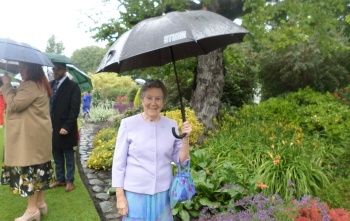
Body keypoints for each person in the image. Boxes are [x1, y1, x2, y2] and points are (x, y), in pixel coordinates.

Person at [112, 80, 192, 220]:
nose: (153, 103)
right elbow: (119, 164)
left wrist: (186, 138)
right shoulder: (128, 124)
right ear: (142, 99)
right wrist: (120, 197)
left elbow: (181, 160)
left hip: (163, 195)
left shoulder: (171, 125)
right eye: (149, 98)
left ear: (163, 101)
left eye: (158, 98)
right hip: (135, 195)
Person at [0, 62, 53, 221]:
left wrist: (7, 85)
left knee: (31, 171)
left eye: (24, 67)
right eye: (20, 67)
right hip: (38, 137)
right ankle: (41, 204)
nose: (21, 70)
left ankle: (31, 211)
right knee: (40, 170)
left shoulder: (30, 85)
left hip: (30, 138)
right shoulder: (40, 84)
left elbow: (14, 105)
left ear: (33, 68)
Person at [49, 62, 81, 192]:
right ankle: (60, 179)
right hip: (52, 126)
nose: (55, 71)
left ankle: (70, 180)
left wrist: (67, 126)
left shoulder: (73, 86)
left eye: (58, 69)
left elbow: (74, 109)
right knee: (56, 154)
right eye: (53, 69)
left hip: (66, 127)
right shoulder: (50, 85)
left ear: (64, 70)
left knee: (68, 155)